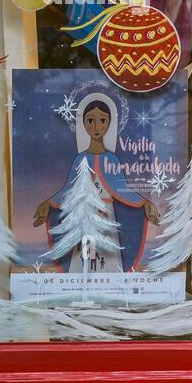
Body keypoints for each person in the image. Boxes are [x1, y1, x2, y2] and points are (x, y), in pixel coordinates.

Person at [33, 94, 160, 273]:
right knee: (84, 256)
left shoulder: (112, 159)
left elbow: (123, 189)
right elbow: (69, 189)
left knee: (107, 255)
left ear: (110, 124)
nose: (96, 126)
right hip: (85, 216)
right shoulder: (80, 159)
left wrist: (144, 203)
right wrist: (48, 203)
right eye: (90, 121)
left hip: (106, 217)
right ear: (83, 124)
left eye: (102, 120)